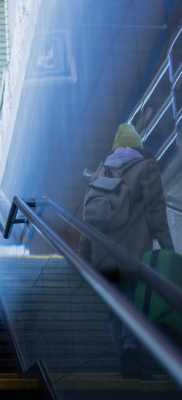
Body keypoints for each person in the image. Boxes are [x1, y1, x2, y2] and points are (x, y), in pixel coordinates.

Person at [80, 123, 174, 380]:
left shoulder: (99, 171)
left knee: (116, 306)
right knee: (133, 303)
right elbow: (156, 210)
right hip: (132, 252)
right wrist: (168, 247)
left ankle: (122, 356)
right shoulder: (146, 167)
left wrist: (83, 252)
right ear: (137, 145)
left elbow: (87, 217)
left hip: (102, 254)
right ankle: (133, 358)